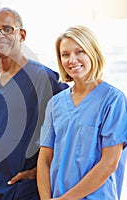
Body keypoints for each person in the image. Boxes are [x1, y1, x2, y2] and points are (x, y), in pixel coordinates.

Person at [0, 7, 68, 200]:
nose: (0, 35)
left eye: (7, 29)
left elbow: (66, 134)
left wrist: (38, 171)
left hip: (26, 190)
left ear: (22, 34)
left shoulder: (46, 80)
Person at [37, 25, 127, 199]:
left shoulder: (113, 100)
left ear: (93, 53)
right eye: (65, 55)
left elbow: (109, 164)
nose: (72, 60)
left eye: (80, 52)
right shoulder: (56, 103)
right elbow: (45, 159)